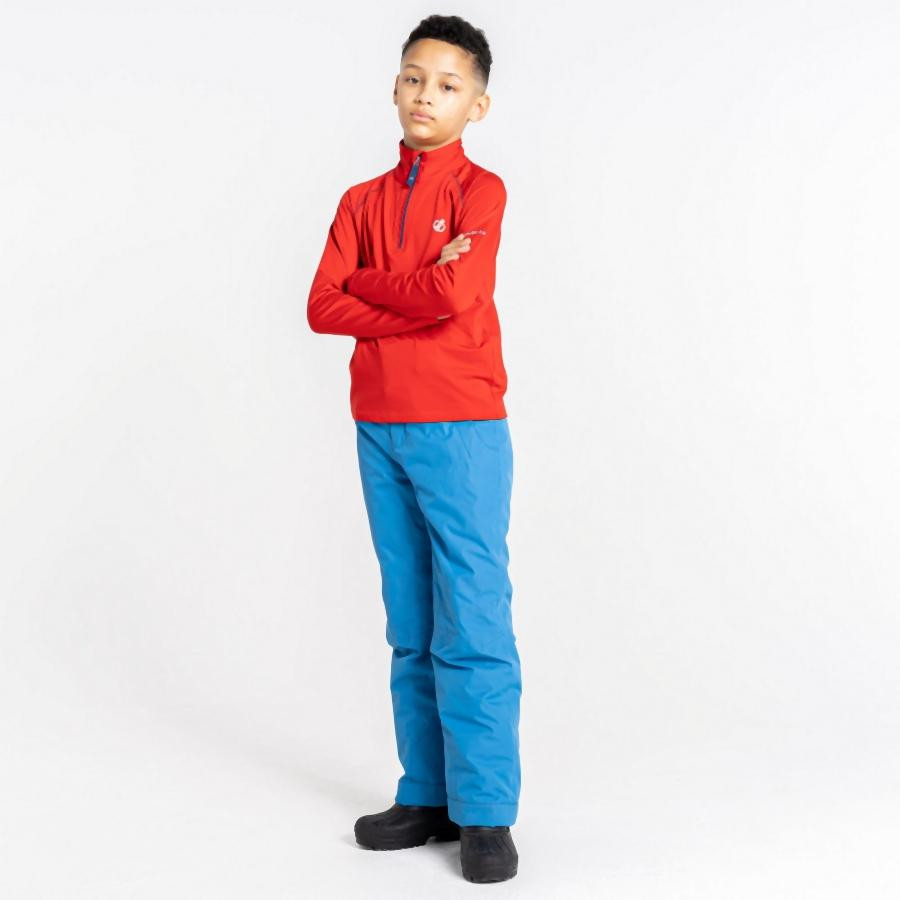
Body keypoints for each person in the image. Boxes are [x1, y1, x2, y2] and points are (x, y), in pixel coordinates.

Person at [307, 14, 521, 884]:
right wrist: (406, 284)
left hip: (462, 426)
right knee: (411, 621)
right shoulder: (359, 202)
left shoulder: (481, 192)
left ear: (477, 104)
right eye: (413, 78)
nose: (426, 95)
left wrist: (372, 286)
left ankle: (485, 812)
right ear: (395, 86)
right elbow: (322, 305)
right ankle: (427, 793)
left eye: (447, 84)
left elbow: (456, 296)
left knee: (473, 616)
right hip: (379, 425)